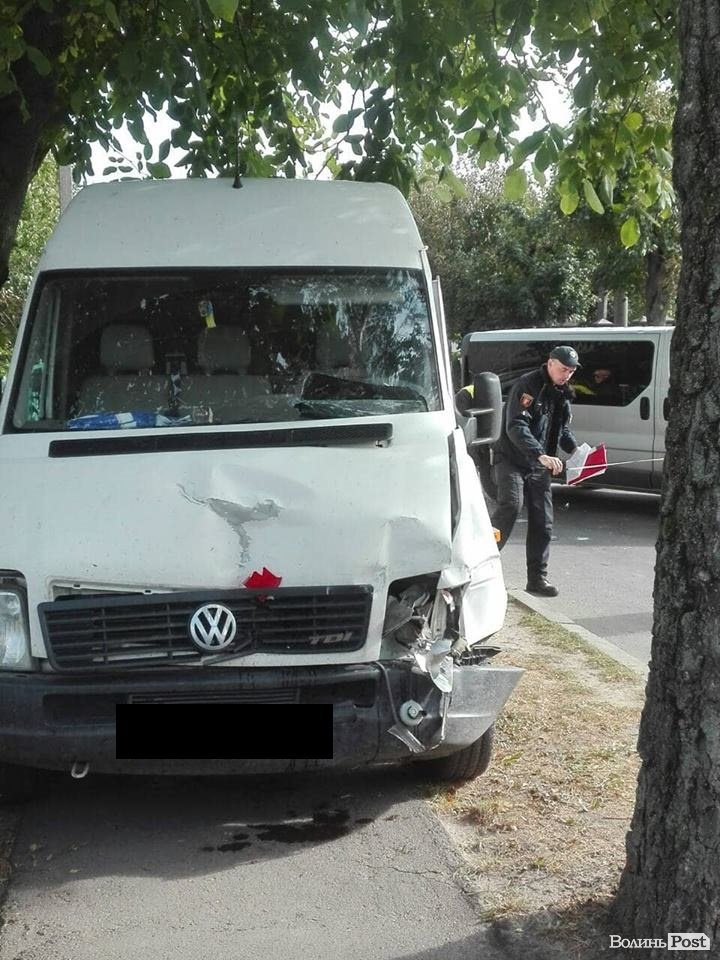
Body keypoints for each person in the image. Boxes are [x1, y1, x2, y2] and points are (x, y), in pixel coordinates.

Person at [491, 345, 582, 597]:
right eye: (563, 369)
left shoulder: (562, 393)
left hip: (539, 465)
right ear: (550, 363)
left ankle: (537, 579)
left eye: (571, 371)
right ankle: (480, 564)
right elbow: (516, 426)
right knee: (511, 506)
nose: (566, 375)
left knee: (543, 521)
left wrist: (577, 451)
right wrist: (540, 453)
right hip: (512, 459)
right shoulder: (527, 385)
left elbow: (562, 429)